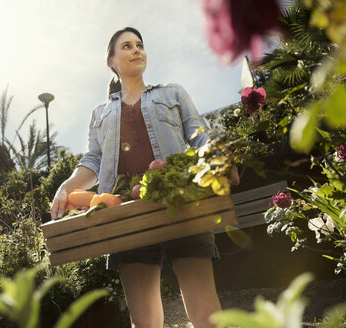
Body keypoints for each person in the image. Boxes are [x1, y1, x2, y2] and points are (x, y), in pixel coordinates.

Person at [50, 27, 239, 328]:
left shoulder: (172, 93)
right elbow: (93, 161)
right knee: (145, 323)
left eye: (139, 45)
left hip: (179, 199)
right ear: (111, 60)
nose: (136, 49)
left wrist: (219, 157)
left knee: (207, 315)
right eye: (126, 46)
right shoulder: (100, 113)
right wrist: (67, 186)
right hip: (124, 212)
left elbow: (199, 133)